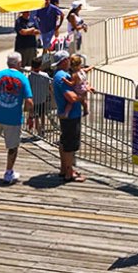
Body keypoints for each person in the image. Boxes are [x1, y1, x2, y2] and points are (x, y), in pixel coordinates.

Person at [0, 52, 33, 184]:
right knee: (12, 147)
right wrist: (29, 115)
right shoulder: (23, 78)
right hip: (14, 118)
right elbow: (29, 101)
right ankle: (8, 172)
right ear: (19, 64)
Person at [53, 52, 85, 182]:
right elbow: (71, 97)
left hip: (65, 114)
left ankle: (64, 169)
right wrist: (82, 96)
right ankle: (69, 172)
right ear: (64, 61)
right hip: (71, 116)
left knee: (64, 142)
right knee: (70, 145)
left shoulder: (57, 75)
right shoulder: (62, 76)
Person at [26, 57, 52, 136]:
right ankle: (43, 128)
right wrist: (50, 92)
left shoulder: (30, 77)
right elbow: (49, 85)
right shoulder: (45, 75)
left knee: (36, 116)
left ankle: (39, 131)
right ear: (40, 66)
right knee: (42, 114)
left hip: (34, 100)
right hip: (42, 98)